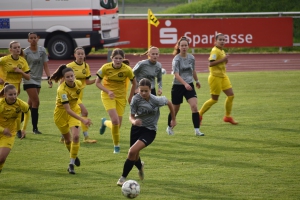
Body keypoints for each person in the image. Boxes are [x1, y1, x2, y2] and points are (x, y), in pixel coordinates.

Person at [116, 78, 176, 186]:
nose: (143, 93)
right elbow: (131, 116)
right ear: (138, 89)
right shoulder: (135, 99)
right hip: (136, 129)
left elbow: (169, 103)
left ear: (150, 90)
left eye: (146, 91)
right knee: (134, 154)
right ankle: (140, 167)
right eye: (141, 90)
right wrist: (134, 121)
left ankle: (122, 178)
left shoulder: (156, 100)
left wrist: (173, 119)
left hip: (149, 131)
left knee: (131, 152)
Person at [50, 65, 92, 174]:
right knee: (68, 140)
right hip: (61, 115)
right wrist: (83, 120)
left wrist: (82, 107)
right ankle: (74, 155)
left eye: (72, 76)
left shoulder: (78, 84)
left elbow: (76, 97)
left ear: (74, 76)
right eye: (67, 77)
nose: (70, 78)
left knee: (77, 136)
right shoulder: (62, 90)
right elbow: (67, 110)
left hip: (75, 111)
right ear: (63, 78)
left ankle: (71, 164)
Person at [96, 48, 137, 154]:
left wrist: (131, 97)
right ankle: (116, 147)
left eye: (120, 58)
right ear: (112, 58)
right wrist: (108, 91)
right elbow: (97, 83)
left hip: (121, 97)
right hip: (107, 96)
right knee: (115, 121)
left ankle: (104, 122)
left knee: (117, 125)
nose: (118, 60)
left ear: (123, 59)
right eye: (116, 58)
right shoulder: (105, 68)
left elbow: (135, 83)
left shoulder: (127, 69)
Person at [166, 36, 204, 136]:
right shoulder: (176, 59)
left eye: (185, 45)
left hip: (189, 85)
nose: (184, 47)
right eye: (182, 45)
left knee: (194, 106)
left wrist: (197, 80)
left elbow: (193, 70)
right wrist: (185, 84)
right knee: (175, 109)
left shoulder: (191, 57)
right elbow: (176, 75)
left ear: (188, 46)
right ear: (178, 47)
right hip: (178, 86)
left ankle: (197, 130)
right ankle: (169, 127)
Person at [59, 47, 96, 143]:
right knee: (84, 112)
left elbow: (87, 82)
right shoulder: (70, 66)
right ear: (74, 55)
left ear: (84, 55)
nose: (80, 55)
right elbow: (62, 81)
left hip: (79, 95)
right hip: (71, 95)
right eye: (78, 53)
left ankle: (63, 136)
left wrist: (98, 79)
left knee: (73, 114)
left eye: (82, 53)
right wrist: (61, 93)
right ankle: (86, 137)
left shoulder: (86, 66)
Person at [198, 33, 238, 125]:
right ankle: (199, 114)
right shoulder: (215, 51)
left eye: (224, 40)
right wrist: (223, 59)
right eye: (220, 40)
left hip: (223, 76)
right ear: (215, 41)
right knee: (214, 99)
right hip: (215, 77)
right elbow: (211, 63)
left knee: (231, 95)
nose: (222, 41)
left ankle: (227, 117)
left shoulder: (222, 51)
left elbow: (221, 63)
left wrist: (225, 60)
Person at [0, 41, 31, 139]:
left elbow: (28, 77)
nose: (18, 49)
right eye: (15, 47)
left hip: (15, 89)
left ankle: (18, 130)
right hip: (3, 88)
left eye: (19, 47)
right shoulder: (4, 60)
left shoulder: (22, 61)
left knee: (17, 109)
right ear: (10, 50)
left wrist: (20, 71)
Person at [23, 32, 52, 135]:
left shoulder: (42, 50)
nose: (33, 39)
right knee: (36, 102)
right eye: (31, 38)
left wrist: (49, 77)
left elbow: (46, 65)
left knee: (30, 104)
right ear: (28, 40)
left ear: (38, 39)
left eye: (35, 38)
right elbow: (22, 66)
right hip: (28, 79)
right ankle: (35, 129)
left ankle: (20, 118)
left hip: (38, 79)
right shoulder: (25, 52)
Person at [0, 84, 30, 174]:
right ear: (5, 95)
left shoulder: (20, 104)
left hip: (9, 133)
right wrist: (2, 130)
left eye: (15, 94)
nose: (13, 97)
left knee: (1, 158)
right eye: (10, 95)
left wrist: (23, 129)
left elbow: (27, 112)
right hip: (2, 130)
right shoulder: (1, 104)